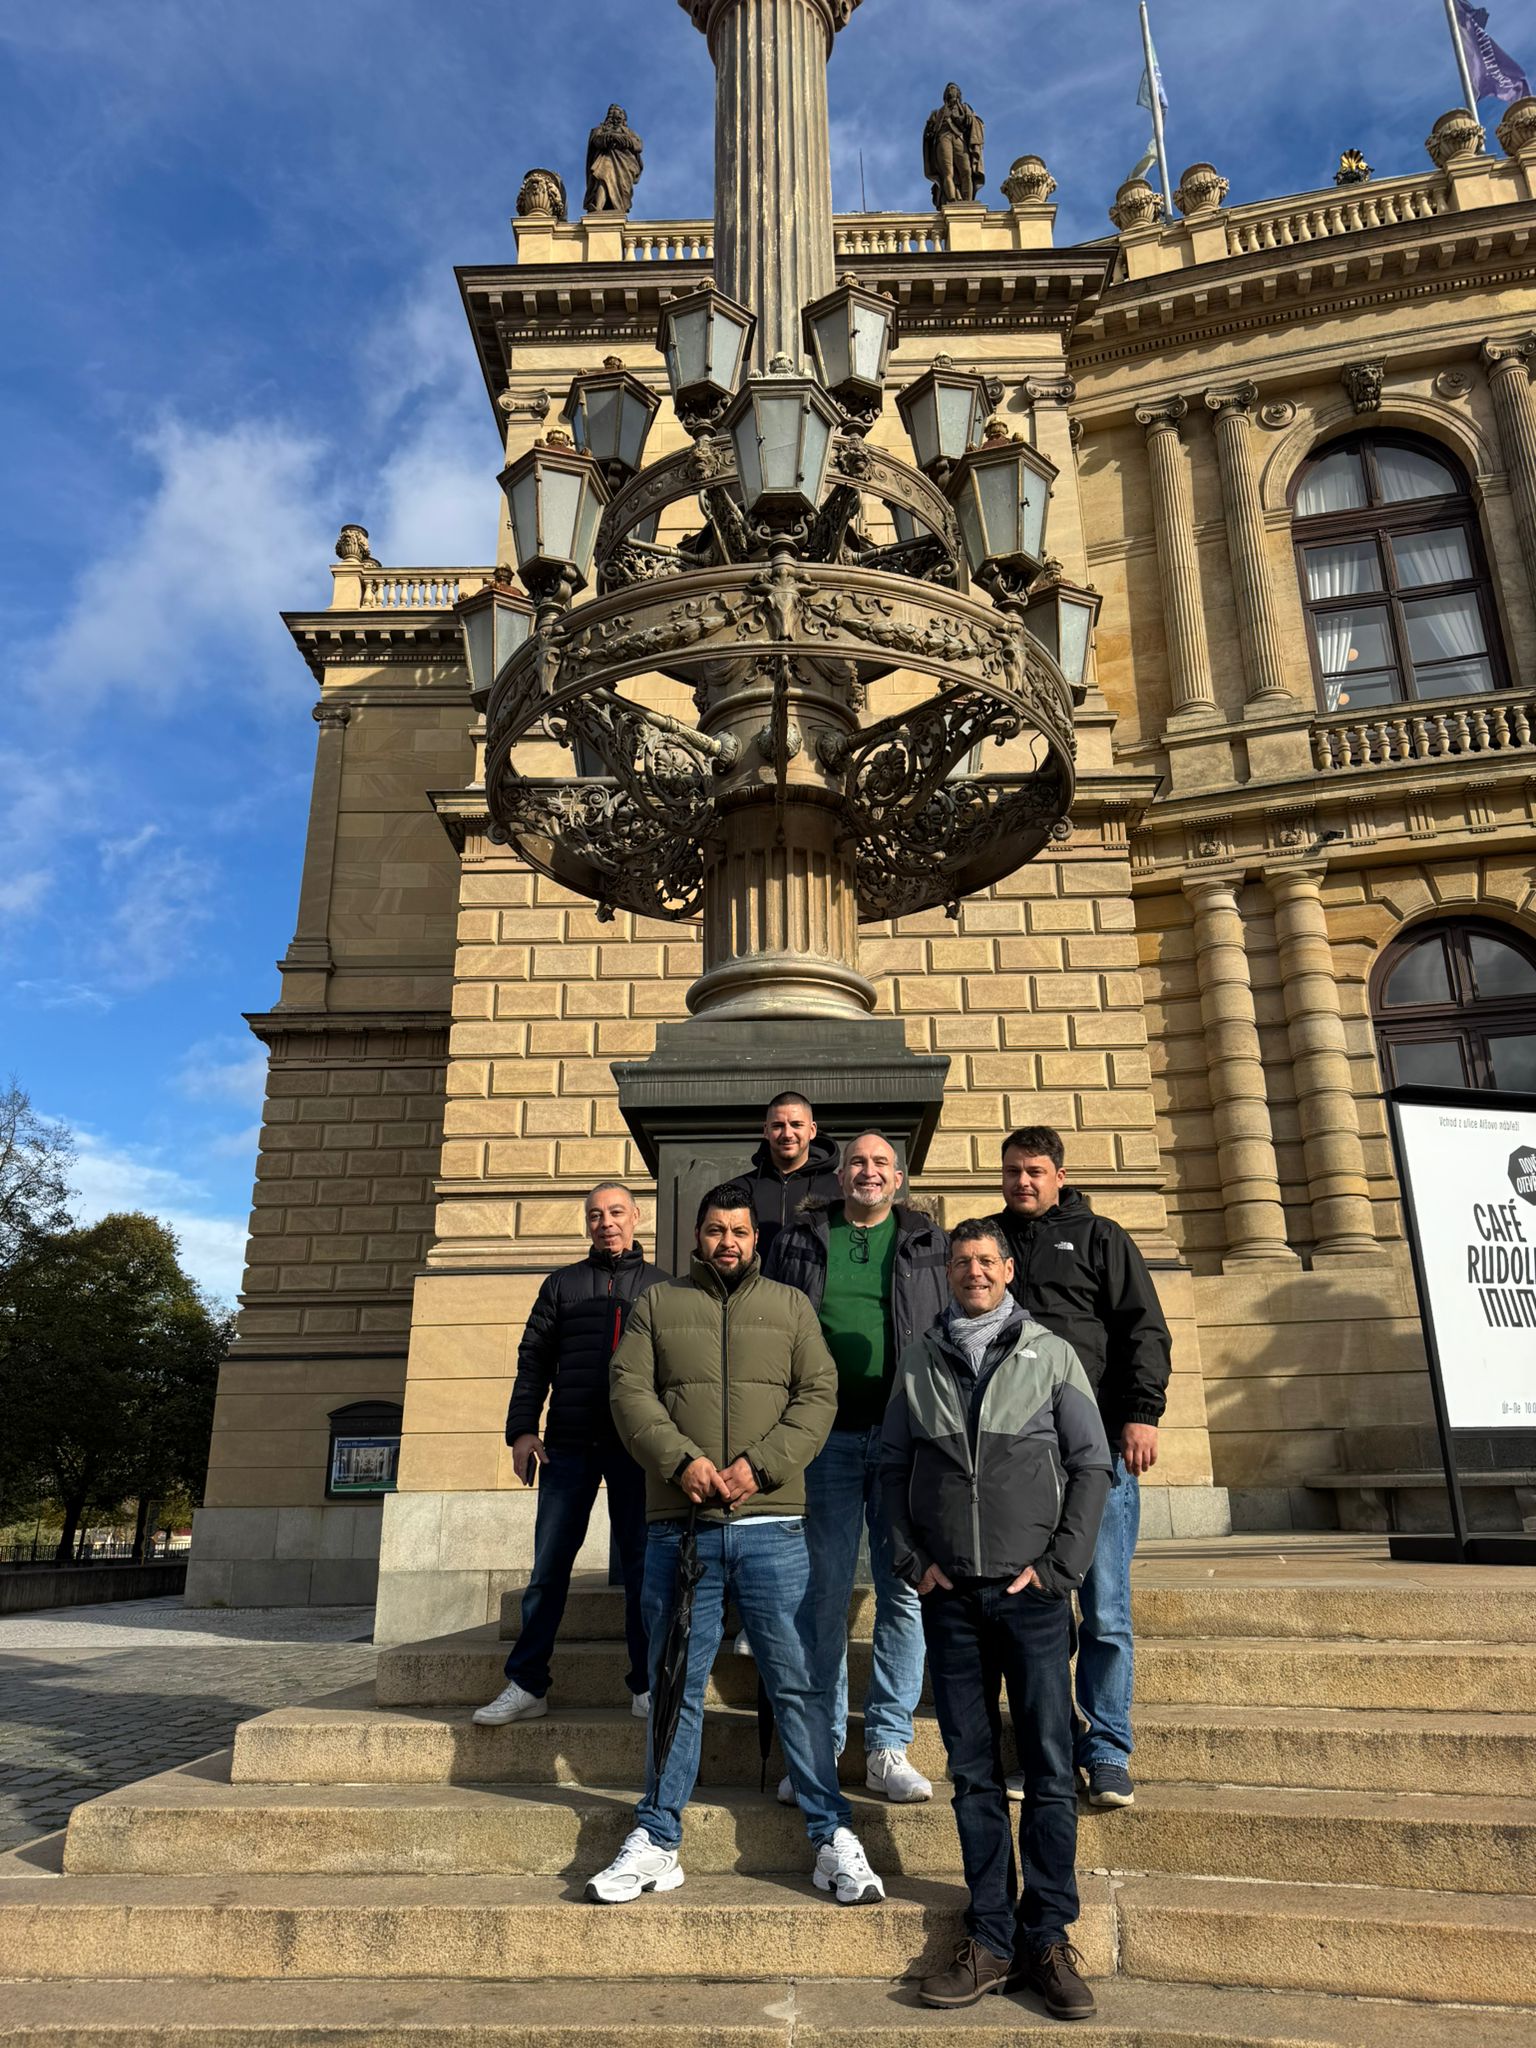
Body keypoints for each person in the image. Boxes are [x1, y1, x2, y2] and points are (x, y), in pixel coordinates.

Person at [585, 1181, 888, 1909]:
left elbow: (819, 1395)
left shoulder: (790, 1307)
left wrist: (763, 1465)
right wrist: (679, 1460)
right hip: (679, 1532)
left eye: (740, 1232)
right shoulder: (660, 1305)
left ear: (758, 1239)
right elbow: (629, 1391)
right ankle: (658, 1839)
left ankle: (832, 1836)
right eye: (716, 1231)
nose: (728, 1242)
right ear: (698, 1237)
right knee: (675, 1691)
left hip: (772, 1528)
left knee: (798, 1689)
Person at [880, 1219, 1110, 2019]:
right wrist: (914, 1563)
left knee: (1048, 1769)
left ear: (1008, 1270)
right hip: (953, 1602)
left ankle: (1046, 1936)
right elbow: (887, 1468)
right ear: (946, 1273)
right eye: (962, 1262)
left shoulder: (1050, 1354)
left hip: (1034, 1601)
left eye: (987, 1260)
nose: (974, 1272)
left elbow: (1092, 1465)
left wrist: (1059, 1569)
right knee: (973, 1772)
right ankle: (990, 1939)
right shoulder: (921, 1360)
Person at [989, 1126, 1171, 1811]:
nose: (1022, 1182)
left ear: (1059, 1174)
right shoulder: (992, 1243)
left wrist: (1142, 1412)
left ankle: (1108, 1751)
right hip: (1020, 1464)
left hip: (1096, 1455)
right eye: (1012, 1171)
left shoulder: (1101, 1237)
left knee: (1104, 1611)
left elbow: (1142, 1329)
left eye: (1034, 1170)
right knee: (1035, 1613)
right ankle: (1052, 1748)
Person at [765, 1130, 949, 1805]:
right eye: (857, 1163)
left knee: (904, 1589)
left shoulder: (931, 1242)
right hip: (824, 1441)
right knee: (824, 1594)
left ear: (899, 1178)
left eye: (881, 1163)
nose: (868, 1172)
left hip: (906, 1440)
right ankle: (819, 1748)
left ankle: (886, 1745)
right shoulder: (799, 1239)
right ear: (839, 1175)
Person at [473, 1184, 667, 1727]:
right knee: (549, 1568)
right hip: (568, 1446)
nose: (606, 1222)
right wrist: (520, 1431)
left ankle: (647, 1685)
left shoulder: (662, 1287)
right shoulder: (561, 1285)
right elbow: (532, 1358)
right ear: (587, 1225)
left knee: (643, 1570)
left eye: (616, 1213)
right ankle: (527, 1684)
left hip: (637, 1448)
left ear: (636, 1218)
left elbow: (679, 1371)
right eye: (595, 1215)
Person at [740, 1091, 842, 1264]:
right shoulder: (741, 1189)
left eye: (796, 1125)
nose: (787, 1134)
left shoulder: (838, 1190)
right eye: (778, 1125)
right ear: (766, 1131)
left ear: (812, 1130)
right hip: (757, 1290)